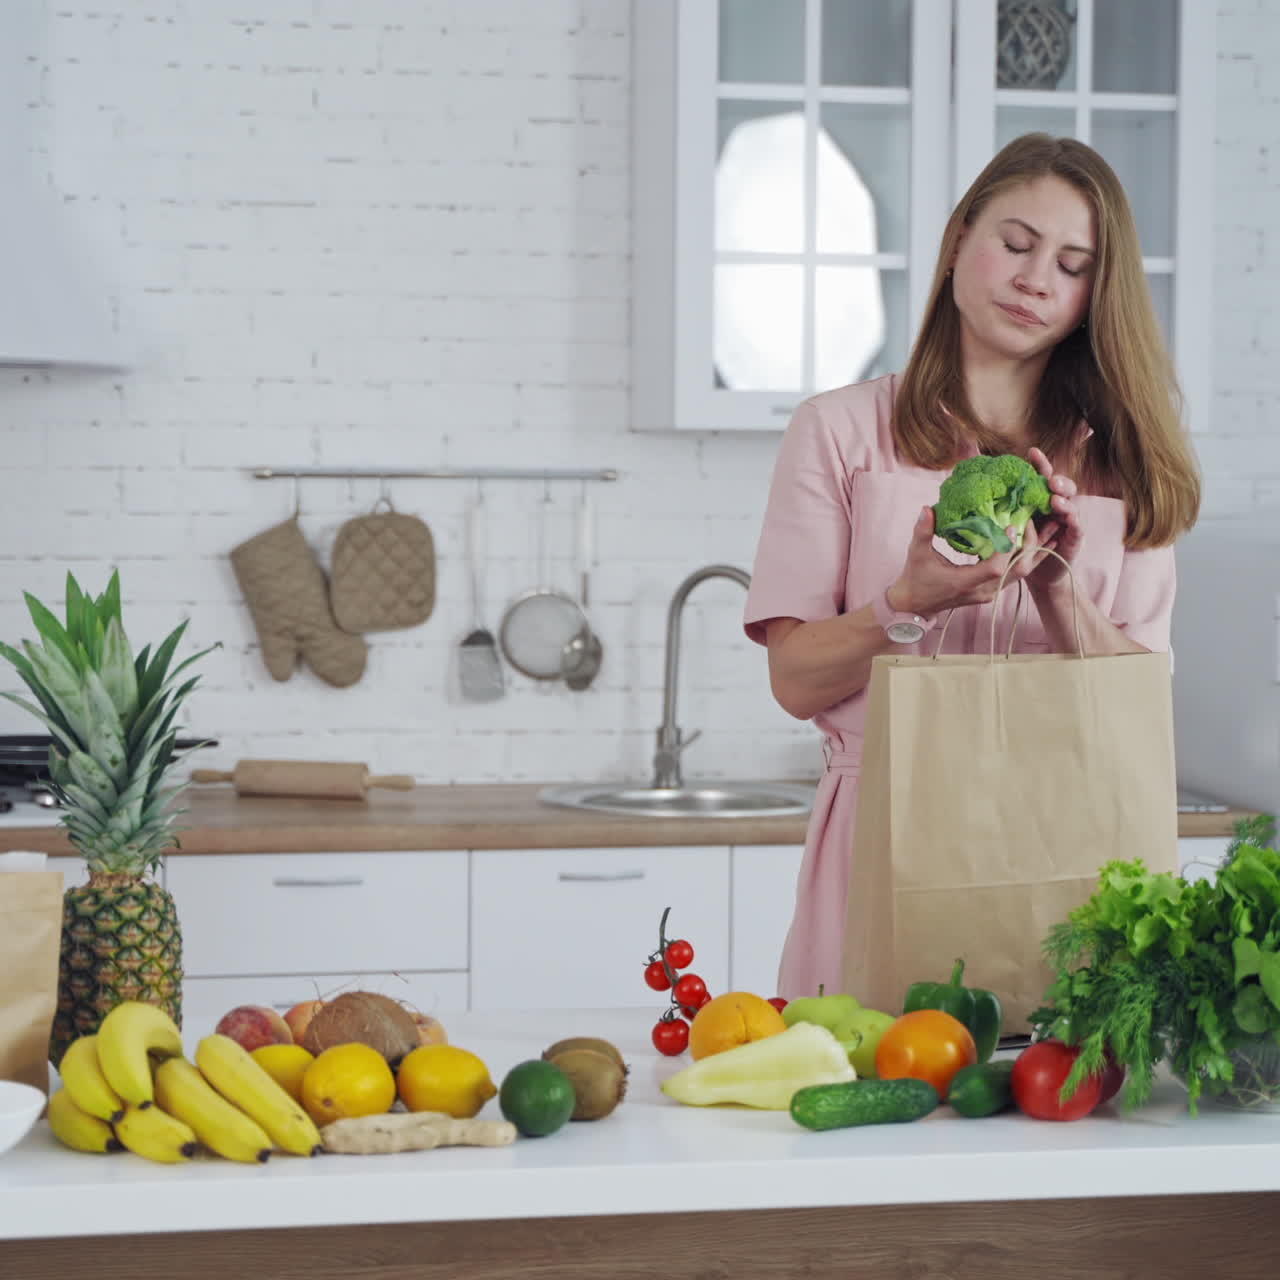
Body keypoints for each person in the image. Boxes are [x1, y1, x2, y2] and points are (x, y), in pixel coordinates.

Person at [743, 133, 1201, 1001]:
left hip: (1068, 853)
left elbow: (1136, 717)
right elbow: (795, 681)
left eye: (1072, 266)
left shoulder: (1128, 468)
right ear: (959, 239)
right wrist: (905, 600)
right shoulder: (839, 432)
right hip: (883, 844)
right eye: (1017, 244)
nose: (1036, 280)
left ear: (1092, 298)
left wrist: (1060, 591)